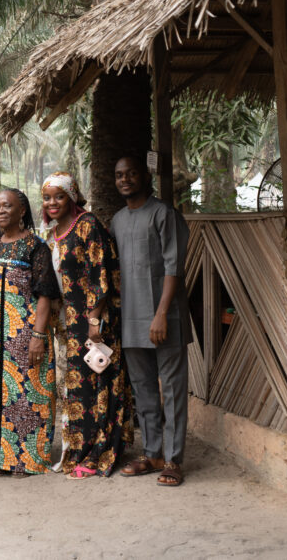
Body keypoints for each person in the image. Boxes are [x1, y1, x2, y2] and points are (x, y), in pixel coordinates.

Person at [41, 172, 133, 478]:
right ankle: (77, 450)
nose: (52, 203)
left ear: (72, 197)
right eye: (47, 198)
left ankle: (98, 453)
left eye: (59, 196)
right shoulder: (53, 233)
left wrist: (94, 321)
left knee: (95, 387)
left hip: (92, 322)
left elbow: (100, 274)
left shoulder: (87, 225)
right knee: (75, 391)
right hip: (67, 325)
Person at [111, 156, 190, 487]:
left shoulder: (164, 214)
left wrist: (161, 313)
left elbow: (174, 266)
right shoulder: (117, 221)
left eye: (131, 174)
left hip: (164, 317)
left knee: (171, 389)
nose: (125, 179)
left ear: (145, 177)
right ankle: (153, 453)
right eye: (119, 175)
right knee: (143, 390)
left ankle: (173, 459)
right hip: (130, 319)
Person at [0, 189, 58, 476]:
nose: (0, 211)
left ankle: (27, 461)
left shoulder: (36, 246)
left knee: (26, 397)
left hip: (24, 338)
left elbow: (45, 294)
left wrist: (38, 336)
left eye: (6, 206)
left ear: (22, 211)